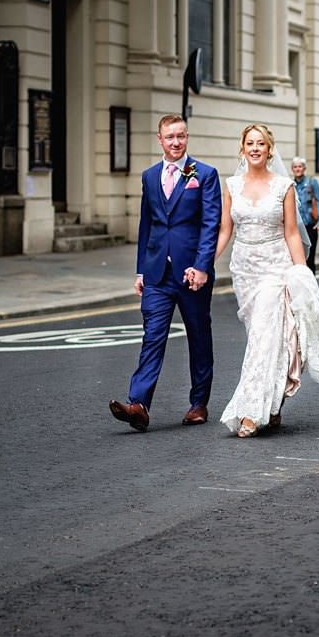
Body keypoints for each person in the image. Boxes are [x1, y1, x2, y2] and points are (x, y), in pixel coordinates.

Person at [213, 124, 319, 437]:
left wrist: (302, 273)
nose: (255, 148)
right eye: (250, 143)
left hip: (275, 267)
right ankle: (273, 404)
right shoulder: (230, 185)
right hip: (244, 270)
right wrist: (203, 264)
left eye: (261, 144)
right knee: (264, 339)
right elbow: (225, 230)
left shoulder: (284, 186)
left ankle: (250, 413)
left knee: (263, 338)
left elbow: (292, 233)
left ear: (270, 150)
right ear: (242, 149)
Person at [109, 114, 222, 432]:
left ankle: (199, 403)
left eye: (181, 136)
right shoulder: (149, 176)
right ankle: (139, 405)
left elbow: (210, 224)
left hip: (191, 273)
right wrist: (140, 270)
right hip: (157, 273)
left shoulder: (205, 174)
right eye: (170, 137)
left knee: (198, 336)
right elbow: (146, 225)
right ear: (160, 139)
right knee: (152, 337)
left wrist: (202, 266)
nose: (176, 142)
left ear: (187, 137)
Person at [291, 155, 319, 273]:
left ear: (304, 168)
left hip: (309, 225)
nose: (297, 169)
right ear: (292, 169)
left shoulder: (312, 182)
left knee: (310, 259)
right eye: (295, 167)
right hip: (295, 228)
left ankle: (312, 286)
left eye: (300, 166)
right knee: (297, 259)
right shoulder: (290, 184)